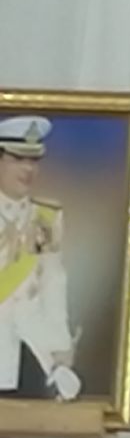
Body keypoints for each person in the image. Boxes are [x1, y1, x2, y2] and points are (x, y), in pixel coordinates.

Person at [0, 116, 78, 401]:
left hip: (31, 346)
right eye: (18, 159)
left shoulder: (46, 216)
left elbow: (54, 284)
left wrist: (60, 349)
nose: (28, 169)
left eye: (34, 160)